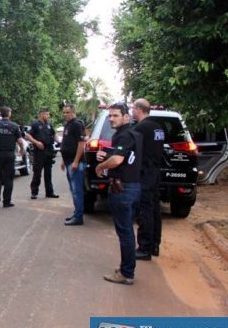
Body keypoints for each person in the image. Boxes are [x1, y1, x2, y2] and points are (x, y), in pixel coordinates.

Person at [95, 102, 142, 285]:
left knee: (125, 232)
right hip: (133, 186)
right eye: (110, 116)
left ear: (126, 116)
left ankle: (126, 273)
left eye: (115, 115)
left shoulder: (123, 135)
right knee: (127, 230)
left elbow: (117, 160)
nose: (111, 119)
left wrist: (101, 165)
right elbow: (125, 158)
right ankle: (126, 267)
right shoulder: (134, 134)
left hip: (123, 189)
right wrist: (106, 155)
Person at [132, 98, 165, 260]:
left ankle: (144, 247)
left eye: (133, 108)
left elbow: (135, 152)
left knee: (144, 209)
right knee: (154, 209)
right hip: (155, 172)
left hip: (145, 173)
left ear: (138, 109)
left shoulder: (141, 128)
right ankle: (154, 245)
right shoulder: (158, 127)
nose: (132, 111)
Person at [0, 106, 25, 208]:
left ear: (1, 114)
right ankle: (6, 201)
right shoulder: (14, 126)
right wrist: (22, 149)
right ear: (9, 114)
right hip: (9, 155)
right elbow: (20, 141)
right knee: (8, 178)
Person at [60, 104, 86, 226]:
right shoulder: (68, 125)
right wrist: (63, 161)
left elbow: (81, 144)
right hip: (68, 161)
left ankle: (79, 217)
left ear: (73, 112)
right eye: (64, 112)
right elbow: (66, 144)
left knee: (77, 191)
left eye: (68, 112)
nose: (65, 114)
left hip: (76, 163)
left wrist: (76, 161)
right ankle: (76, 213)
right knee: (73, 190)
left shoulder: (77, 124)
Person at [26, 109, 59, 200]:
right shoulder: (35, 124)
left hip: (49, 151)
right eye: (47, 114)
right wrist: (36, 142)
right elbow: (28, 135)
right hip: (39, 152)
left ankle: (49, 192)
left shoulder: (48, 124)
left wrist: (58, 141)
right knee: (37, 173)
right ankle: (34, 192)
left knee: (48, 173)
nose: (48, 116)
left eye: (49, 114)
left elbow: (54, 133)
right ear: (42, 114)